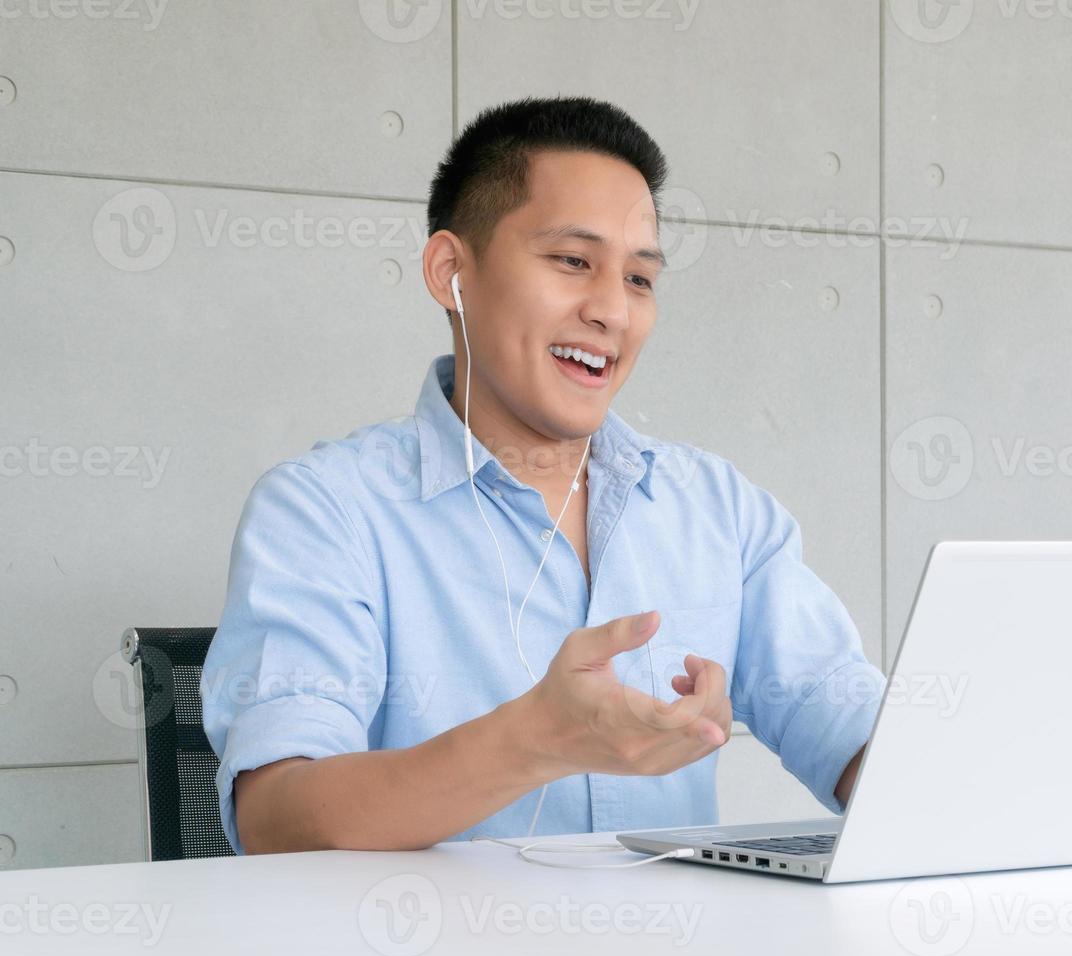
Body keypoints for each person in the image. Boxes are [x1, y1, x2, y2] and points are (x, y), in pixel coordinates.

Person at [200, 95, 883, 855]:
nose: (612, 313)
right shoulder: (326, 512)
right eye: (573, 262)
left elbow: (856, 732)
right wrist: (532, 741)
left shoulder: (718, 510)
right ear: (452, 272)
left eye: (640, 280)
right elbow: (277, 822)